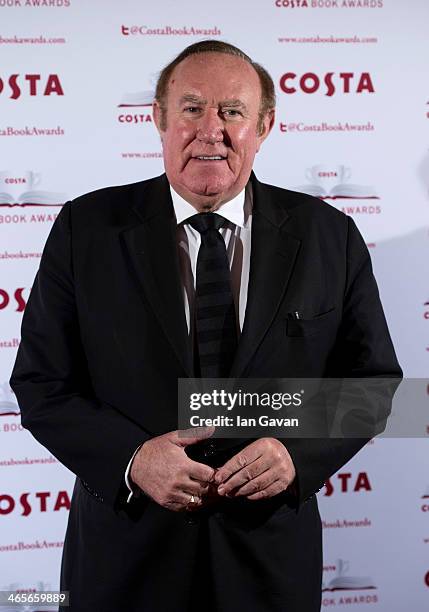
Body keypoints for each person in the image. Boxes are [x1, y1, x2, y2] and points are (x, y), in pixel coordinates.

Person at [10, 40, 402, 612]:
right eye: (192, 109)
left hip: (268, 562)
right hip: (126, 557)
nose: (210, 130)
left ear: (264, 124)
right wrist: (133, 459)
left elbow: (375, 386)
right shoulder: (84, 229)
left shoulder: (329, 237)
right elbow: (42, 384)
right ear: (159, 119)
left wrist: (297, 452)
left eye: (232, 111)